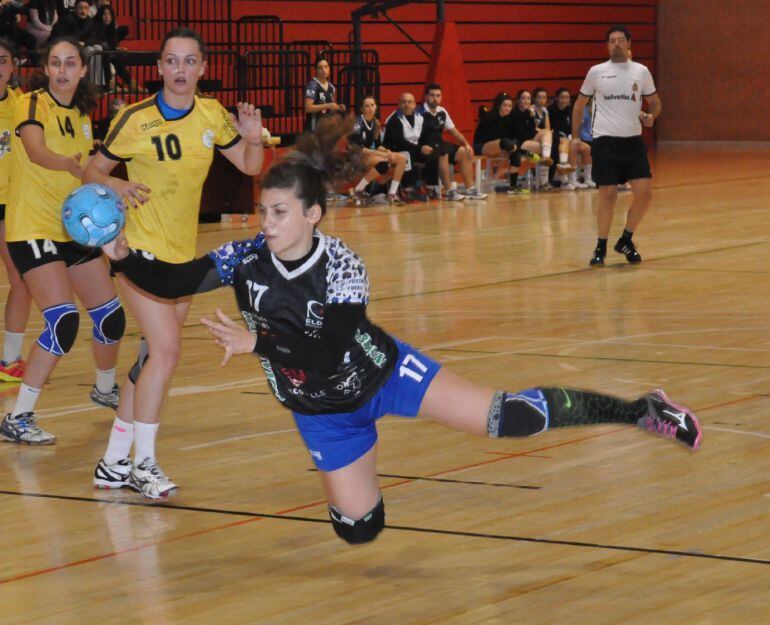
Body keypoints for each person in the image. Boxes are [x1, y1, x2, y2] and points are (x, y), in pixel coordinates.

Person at [99, 117, 702, 542]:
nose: (267, 222)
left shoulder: (341, 265)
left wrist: (256, 341)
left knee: (506, 417)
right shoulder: (245, 259)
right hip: (321, 412)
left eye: (279, 212)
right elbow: (175, 281)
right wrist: (123, 253)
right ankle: (357, 476)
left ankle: (638, 410)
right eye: (263, 210)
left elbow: (332, 345)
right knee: (362, 530)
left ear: (312, 215)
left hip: (383, 374)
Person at [82, 27, 264, 498]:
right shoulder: (133, 119)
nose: (180, 70)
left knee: (148, 362)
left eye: (189, 62)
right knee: (166, 352)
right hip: (137, 252)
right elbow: (90, 172)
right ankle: (144, 464)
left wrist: (252, 139)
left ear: (202, 68)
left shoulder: (212, 114)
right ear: (159, 67)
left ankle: (112, 462)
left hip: (182, 256)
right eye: (171, 61)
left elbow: (248, 165)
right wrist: (118, 187)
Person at [0, 37, 125, 445]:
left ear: (83, 69)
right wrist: (71, 166)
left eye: (70, 63)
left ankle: (105, 389)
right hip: (32, 227)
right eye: (56, 63)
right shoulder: (31, 103)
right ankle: (18, 418)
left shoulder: (83, 115)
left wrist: (116, 188)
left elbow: (87, 172)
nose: (63, 70)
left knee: (110, 317)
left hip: (71, 227)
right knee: (63, 320)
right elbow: (35, 151)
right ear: (46, 67)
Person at [572, 25, 661, 267]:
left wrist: (652, 116)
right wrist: (575, 137)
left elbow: (654, 102)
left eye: (621, 40)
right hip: (605, 141)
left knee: (644, 193)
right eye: (612, 41)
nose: (617, 44)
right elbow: (580, 105)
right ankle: (600, 246)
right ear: (607, 45)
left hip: (633, 141)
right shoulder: (596, 72)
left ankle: (626, 239)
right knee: (608, 195)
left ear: (629, 43)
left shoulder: (641, 72)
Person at [0, 37, 31, 382]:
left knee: (21, 280)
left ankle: (10, 361)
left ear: (12, 66)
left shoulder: (23, 107)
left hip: (9, 203)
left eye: (2, 60)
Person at [418, 83, 486, 200]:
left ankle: (470, 189)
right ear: (426, 97)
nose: (435, 99)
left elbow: (454, 131)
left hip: (440, 144)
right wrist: (420, 148)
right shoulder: (419, 113)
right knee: (443, 153)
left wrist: (466, 144)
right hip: (425, 148)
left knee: (465, 152)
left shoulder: (442, 111)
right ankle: (450, 191)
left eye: (438, 96)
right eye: (432, 95)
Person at [348, 94, 407, 205]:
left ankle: (392, 194)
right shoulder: (358, 123)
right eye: (367, 106)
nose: (370, 108)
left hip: (369, 154)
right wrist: (379, 153)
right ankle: (357, 190)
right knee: (383, 163)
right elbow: (358, 148)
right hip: (356, 156)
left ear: (376, 107)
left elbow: (378, 144)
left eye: (372, 105)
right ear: (361, 109)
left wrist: (386, 151)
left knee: (401, 159)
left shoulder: (375, 122)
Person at [548, 87, 590, 190]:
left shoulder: (570, 110)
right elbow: (551, 129)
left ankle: (588, 179)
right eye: (562, 97)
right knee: (572, 146)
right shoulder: (551, 110)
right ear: (556, 98)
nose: (565, 100)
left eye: (567, 97)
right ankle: (572, 180)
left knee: (586, 148)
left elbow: (572, 128)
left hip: (568, 138)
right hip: (556, 140)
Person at [304, 57, 344, 132]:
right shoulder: (313, 85)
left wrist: (338, 107)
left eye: (326, 67)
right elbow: (308, 108)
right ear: (316, 70)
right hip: (314, 128)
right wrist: (327, 105)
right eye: (320, 68)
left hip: (326, 128)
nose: (324, 70)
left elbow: (331, 109)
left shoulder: (332, 87)